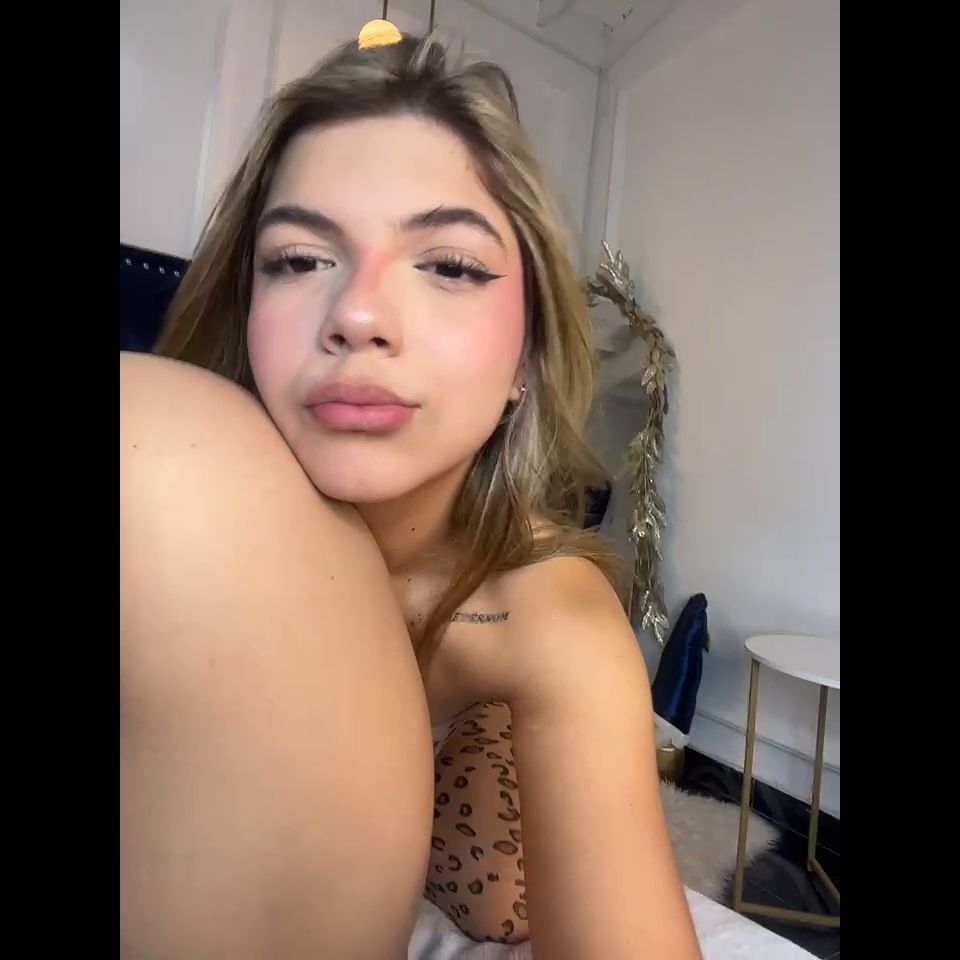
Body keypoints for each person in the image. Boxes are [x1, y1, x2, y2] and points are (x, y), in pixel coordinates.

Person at [120, 31, 701, 960]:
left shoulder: (547, 615)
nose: (357, 315)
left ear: (526, 358)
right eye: (299, 260)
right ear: (243, 310)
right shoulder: (161, 490)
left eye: (451, 267)